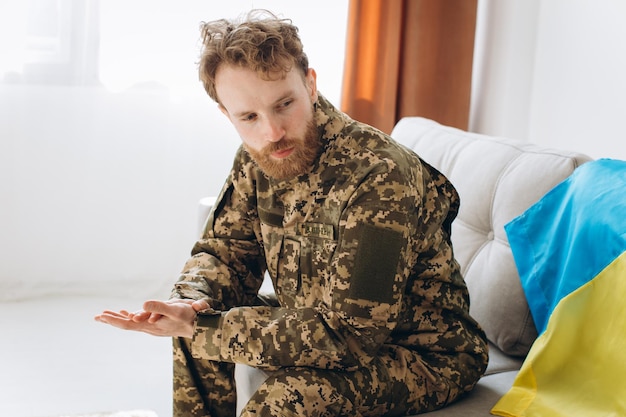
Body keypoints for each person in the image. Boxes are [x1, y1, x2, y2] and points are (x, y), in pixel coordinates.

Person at [95, 9, 488, 417]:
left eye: (285, 104)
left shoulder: (379, 174)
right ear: (227, 115)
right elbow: (225, 252)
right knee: (193, 328)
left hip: (422, 353)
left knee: (289, 392)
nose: (272, 131)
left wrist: (207, 327)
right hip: (322, 324)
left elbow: (352, 336)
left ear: (311, 85)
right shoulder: (256, 157)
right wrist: (191, 302)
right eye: (249, 117)